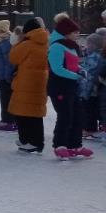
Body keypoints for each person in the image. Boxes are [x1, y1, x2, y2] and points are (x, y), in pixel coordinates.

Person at [49, 14, 90, 159]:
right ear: (66, 33)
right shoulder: (56, 47)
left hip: (72, 86)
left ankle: (75, 145)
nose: (78, 35)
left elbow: (73, 64)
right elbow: (57, 68)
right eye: (75, 32)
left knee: (78, 116)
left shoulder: (71, 47)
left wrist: (80, 69)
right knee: (65, 116)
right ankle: (60, 145)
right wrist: (76, 76)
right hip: (60, 87)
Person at [8, 18, 49, 154]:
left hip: (26, 82)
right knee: (35, 114)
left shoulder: (27, 44)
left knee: (23, 113)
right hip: (40, 81)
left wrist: (17, 42)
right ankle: (38, 141)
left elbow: (13, 58)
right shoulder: (45, 42)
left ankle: (27, 141)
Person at [0, 19, 17, 132]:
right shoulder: (2, 41)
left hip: (5, 77)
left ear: (1, 30)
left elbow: (9, 62)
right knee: (5, 98)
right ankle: (8, 119)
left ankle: (8, 120)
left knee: (6, 99)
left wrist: (7, 77)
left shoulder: (6, 42)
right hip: (2, 75)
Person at [80, 30, 104, 140]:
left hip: (91, 87)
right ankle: (90, 128)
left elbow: (89, 71)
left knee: (89, 108)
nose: (87, 45)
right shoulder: (90, 54)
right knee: (91, 108)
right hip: (91, 86)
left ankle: (89, 129)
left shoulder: (95, 56)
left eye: (90, 44)